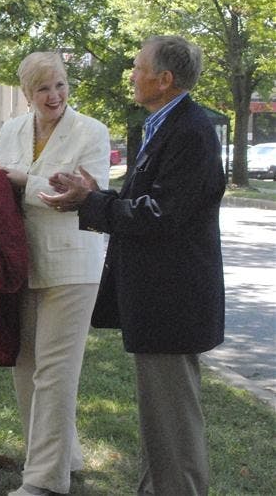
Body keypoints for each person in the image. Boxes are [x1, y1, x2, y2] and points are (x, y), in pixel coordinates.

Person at [40, 36, 225, 495]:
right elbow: (146, 202)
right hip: (158, 301)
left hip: (173, 302)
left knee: (173, 426)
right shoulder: (163, 125)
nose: (132, 74)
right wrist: (94, 198)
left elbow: (159, 216)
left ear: (164, 80)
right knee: (160, 425)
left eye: (139, 67)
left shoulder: (190, 131)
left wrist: (92, 203)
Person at [0, 52, 110, 495]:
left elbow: (82, 197)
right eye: (43, 88)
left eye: (60, 85)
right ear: (26, 94)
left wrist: (24, 180)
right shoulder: (15, 129)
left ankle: (44, 482)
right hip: (21, 261)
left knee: (55, 372)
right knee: (26, 363)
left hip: (74, 264)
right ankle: (63, 456)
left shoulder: (92, 132)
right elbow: (2, 191)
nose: (54, 96)